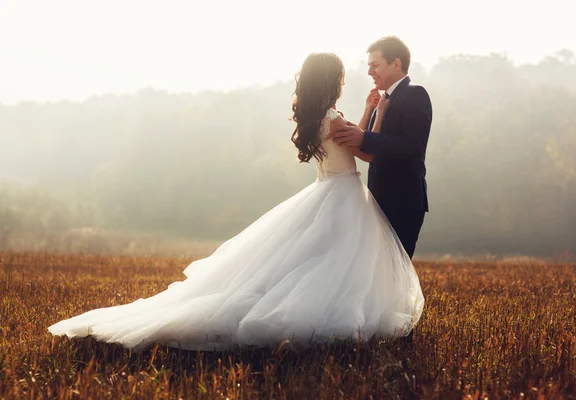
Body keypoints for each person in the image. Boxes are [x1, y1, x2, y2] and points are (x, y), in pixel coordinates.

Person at [48, 52, 424, 352]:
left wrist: (366, 113)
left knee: (311, 261)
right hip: (343, 193)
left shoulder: (320, 119)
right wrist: (378, 116)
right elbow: (366, 153)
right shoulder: (335, 119)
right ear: (332, 80)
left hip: (329, 190)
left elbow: (349, 141)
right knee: (338, 262)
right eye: (341, 76)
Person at [333, 36, 433, 260]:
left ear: (396, 64)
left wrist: (364, 138)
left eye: (375, 66)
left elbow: (411, 146)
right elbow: (368, 146)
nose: (370, 72)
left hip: (403, 200)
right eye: (369, 67)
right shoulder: (381, 100)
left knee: (396, 269)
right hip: (377, 199)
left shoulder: (416, 95)